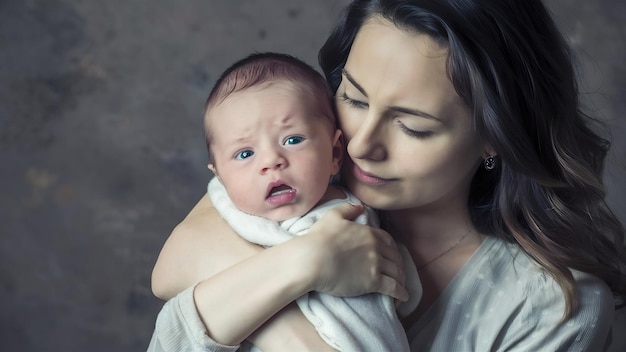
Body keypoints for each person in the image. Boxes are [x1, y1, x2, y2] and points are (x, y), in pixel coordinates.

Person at [151, 0, 626, 351]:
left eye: (412, 125)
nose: (360, 144)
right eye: (354, 99)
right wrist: (306, 263)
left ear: (494, 138)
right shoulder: (291, 187)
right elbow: (170, 272)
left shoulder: (553, 308)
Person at [148, 52, 420, 351]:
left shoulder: (346, 214)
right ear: (220, 178)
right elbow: (165, 277)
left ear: (335, 154)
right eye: (245, 154)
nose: (271, 161)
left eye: (292, 140)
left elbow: (396, 288)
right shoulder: (228, 207)